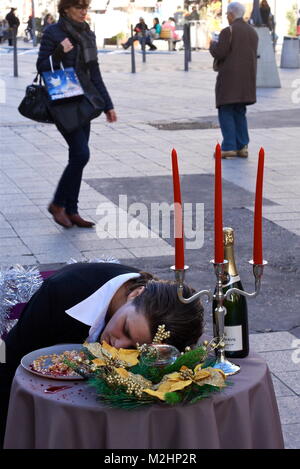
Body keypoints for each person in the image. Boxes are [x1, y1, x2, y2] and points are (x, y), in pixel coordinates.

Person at [0, 261, 204, 447]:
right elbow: (10, 361)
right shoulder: (61, 292)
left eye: (136, 349)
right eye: (125, 329)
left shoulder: (161, 322)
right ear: (135, 294)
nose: (120, 345)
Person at [36, 0, 117, 229]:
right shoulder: (54, 32)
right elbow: (42, 66)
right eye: (79, 7)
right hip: (63, 101)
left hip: (85, 103)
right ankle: (58, 204)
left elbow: (95, 72)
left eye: (86, 7)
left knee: (77, 157)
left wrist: (108, 104)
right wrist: (60, 52)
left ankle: (72, 210)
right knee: (81, 154)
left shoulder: (87, 33)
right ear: (66, 9)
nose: (84, 12)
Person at [209, 2, 258, 159]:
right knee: (239, 111)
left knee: (226, 110)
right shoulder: (252, 32)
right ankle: (242, 146)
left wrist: (212, 45)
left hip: (230, 80)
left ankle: (229, 146)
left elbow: (220, 53)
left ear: (231, 14)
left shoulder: (227, 31)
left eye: (227, 14)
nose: (227, 17)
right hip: (246, 80)